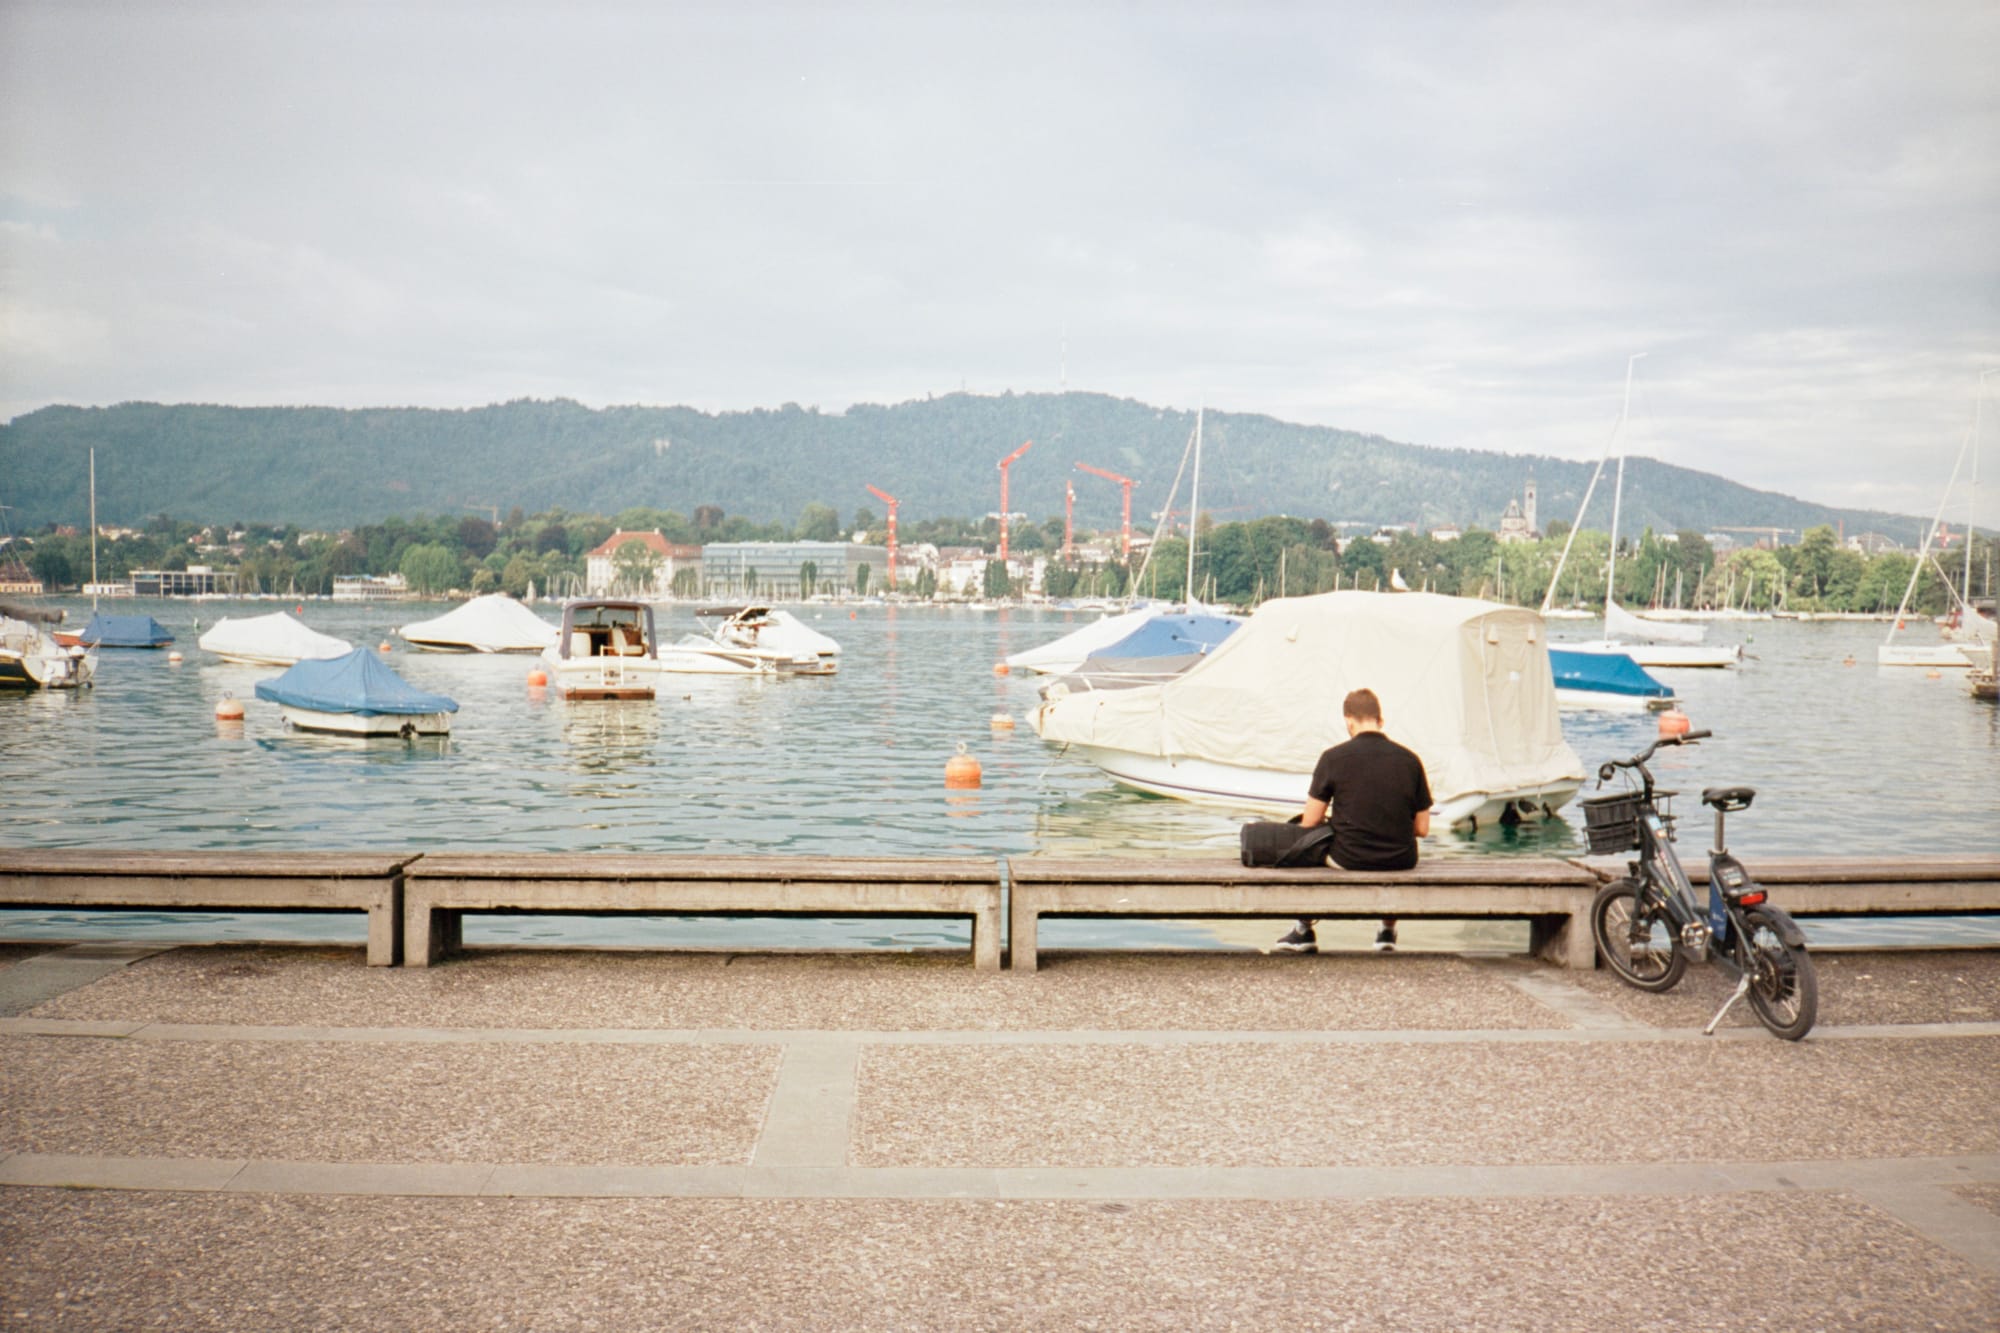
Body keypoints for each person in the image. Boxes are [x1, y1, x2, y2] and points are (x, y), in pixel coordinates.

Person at [1272, 687, 1433, 954]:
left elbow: (1310, 821)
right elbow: (1422, 829)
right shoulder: (1410, 760)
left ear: (1349, 721)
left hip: (1349, 859)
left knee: (1309, 845)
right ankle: (1386, 933)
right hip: (1401, 860)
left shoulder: (1333, 757)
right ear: (1380, 721)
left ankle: (1303, 931)